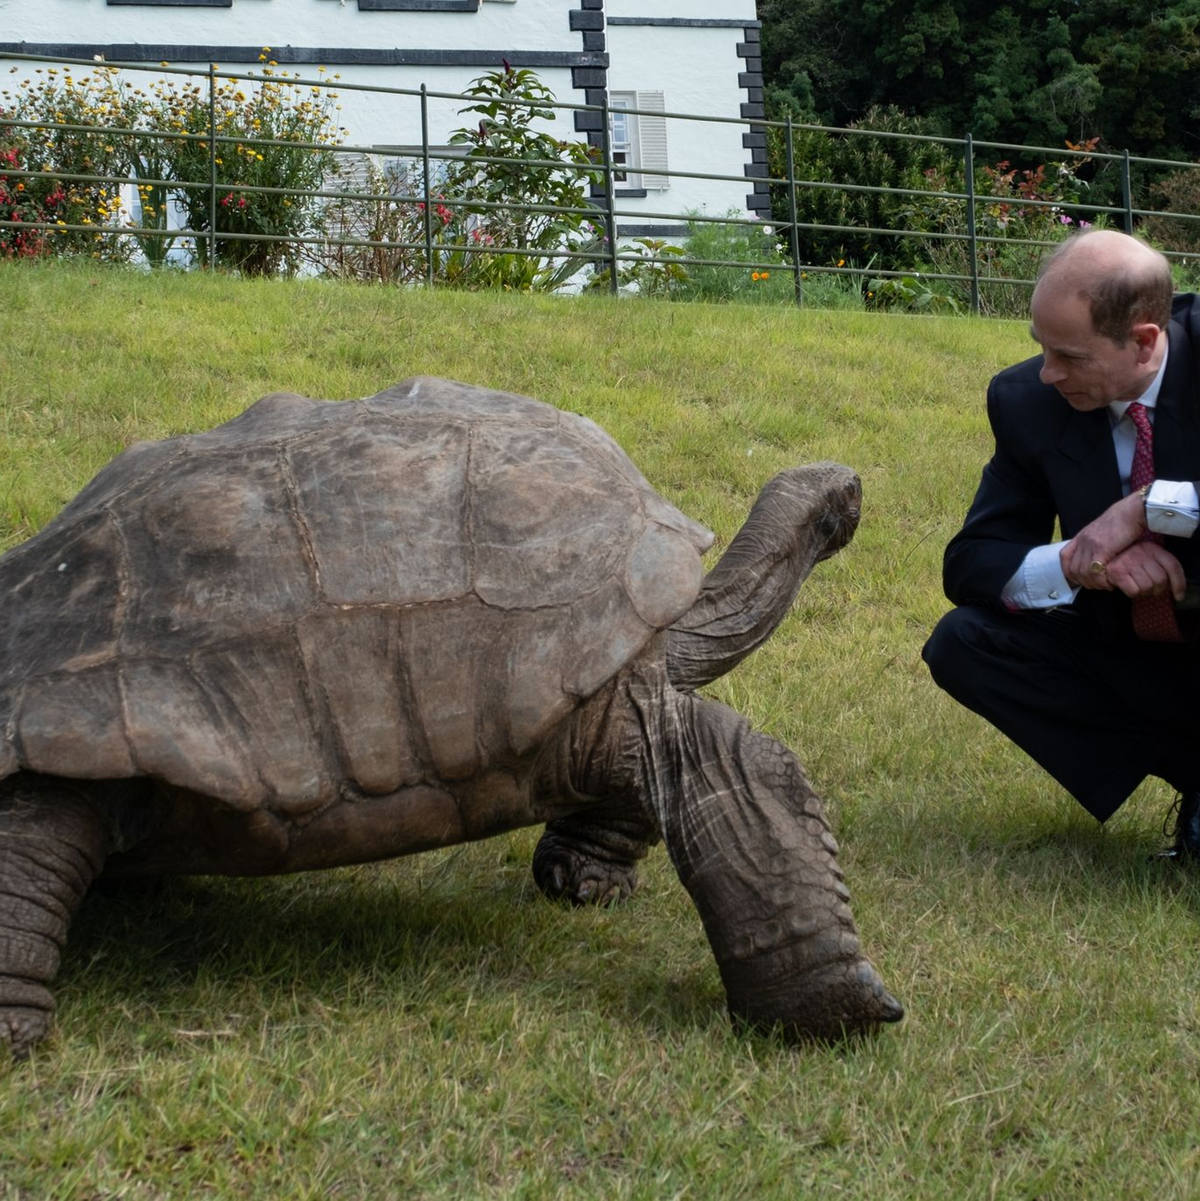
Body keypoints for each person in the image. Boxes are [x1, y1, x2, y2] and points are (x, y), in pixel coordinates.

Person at [923, 229, 1200, 859]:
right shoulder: (1027, 401)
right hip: (1128, 641)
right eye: (1042, 349)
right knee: (963, 641)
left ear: (1144, 340)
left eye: (1069, 355)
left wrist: (1147, 508)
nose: (1049, 373)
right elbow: (974, 561)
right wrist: (1081, 564)